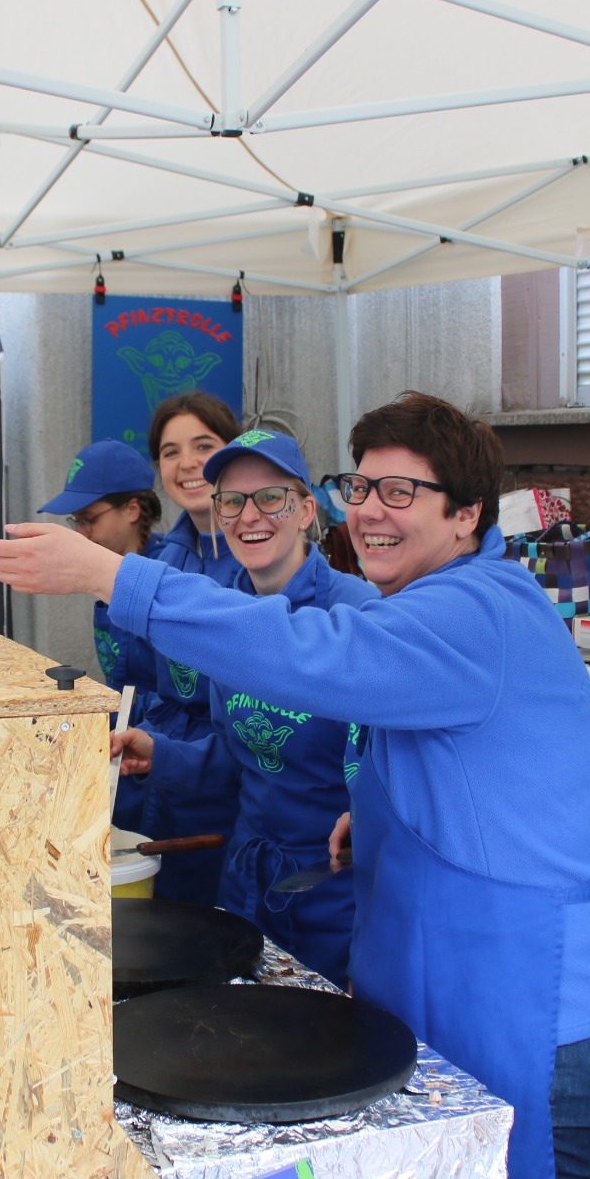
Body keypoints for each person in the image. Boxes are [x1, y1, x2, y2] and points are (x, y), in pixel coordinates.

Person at [0, 392, 590, 1179]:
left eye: (401, 492)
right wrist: (371, 808)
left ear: (467, 513)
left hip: (528, 1000)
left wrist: (114, 576)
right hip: (448, 983)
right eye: (362, 487)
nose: (371, 510)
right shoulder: (431, 597)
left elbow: (317, 657)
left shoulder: (475, 609)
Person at [110, 432, 376, 981]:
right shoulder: (224, 616)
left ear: (306, 511)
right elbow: (241, 758)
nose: (249, 515)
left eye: (270, 498)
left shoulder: (357, 614)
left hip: (335, 896)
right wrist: (162, 754)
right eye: (231, 501)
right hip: (245, 887)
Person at [136, 393, 246, 903]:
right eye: (170, 451)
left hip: (233, 788)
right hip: (168, 778)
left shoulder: (260, 560)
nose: (187, 463)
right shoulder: (165, 563)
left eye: (204, 446)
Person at [37, 440, 164, 831]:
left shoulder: (167, 582)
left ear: (132, 510)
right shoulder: (109, 574)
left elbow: (180, 700)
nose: (82, 532)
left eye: (89, 519)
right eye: (76, 521)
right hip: (119, 750)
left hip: (159, 764)